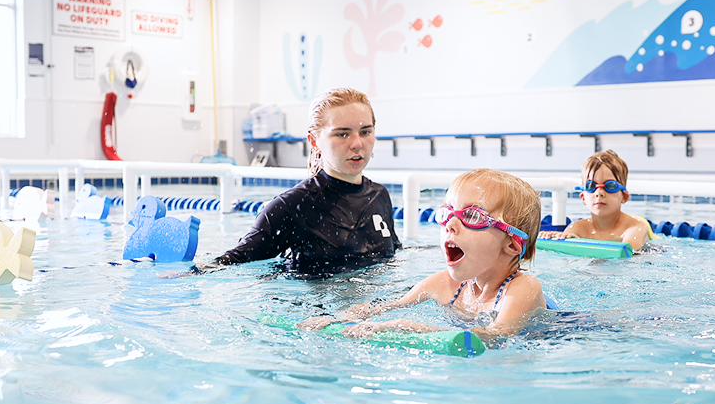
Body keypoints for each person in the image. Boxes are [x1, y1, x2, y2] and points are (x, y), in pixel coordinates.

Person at [302, 168, 547, 343]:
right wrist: (336, 320)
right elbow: (383, 306)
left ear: (512, 246)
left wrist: (407, 327)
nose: (450, 224)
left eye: (472, 216)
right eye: (448, 212)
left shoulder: (523, 288)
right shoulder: (443, 284)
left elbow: (495, 337)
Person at [194, 88, 400, 276]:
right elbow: (233, 260)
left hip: (375, 310)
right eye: (342, 134)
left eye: (365, 132)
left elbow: (396, 254)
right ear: (314, 141)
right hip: (317, 313)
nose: (357, 144)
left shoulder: (379, 195)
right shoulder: (292, 206)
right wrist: (184, 272)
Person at [538, 149, 652, 252]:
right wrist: (558, 240)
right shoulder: (577, 228)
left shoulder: (635, 228)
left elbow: (625, 257)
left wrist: (583, 247)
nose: (599, 193)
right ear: (583, 197)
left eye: (610, 186)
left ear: (624, 197)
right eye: (591, 186)